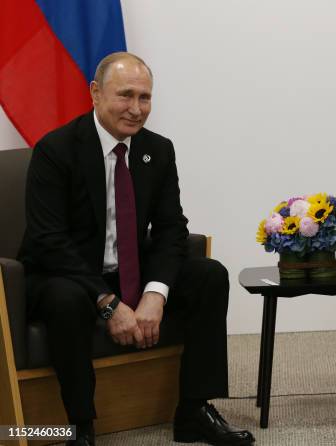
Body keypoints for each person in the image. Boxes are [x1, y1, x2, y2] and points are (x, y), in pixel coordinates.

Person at [18, 52, 254, 446]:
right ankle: (80, 426)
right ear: (95, 93)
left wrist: (155, 294)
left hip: (129, 268)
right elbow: (48, 240)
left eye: (145, 98)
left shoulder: (157, 151)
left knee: (209, 275)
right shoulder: (56, 149)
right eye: (125, 95)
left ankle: (193, 410)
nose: (136, 108)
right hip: (63, 272)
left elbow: (170, 229)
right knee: (65, 298)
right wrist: (108, 303)